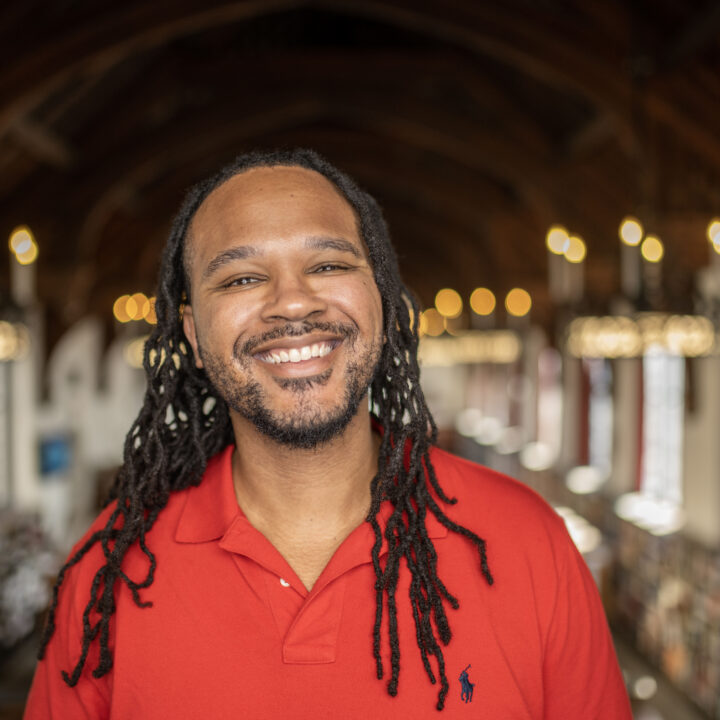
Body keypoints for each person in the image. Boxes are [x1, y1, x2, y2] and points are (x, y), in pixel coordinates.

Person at [24, 149, 632, 718]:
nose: (292, 302)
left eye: (328, 265)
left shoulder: (528, 542)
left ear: (383, 300)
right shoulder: (110, 570)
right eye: (240, 279)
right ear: (192, 337)